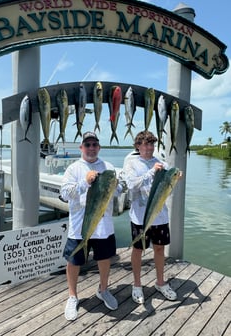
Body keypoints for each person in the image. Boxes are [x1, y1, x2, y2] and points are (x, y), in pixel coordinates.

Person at [60, 131, 122, 321]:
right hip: (80, 226)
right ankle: (72, 296)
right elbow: (64, 194)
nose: (91, 148)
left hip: (103, 226)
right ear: (81, 148)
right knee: (73, 261)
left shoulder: (108, 166)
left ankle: (103, 290)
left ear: (99, 147)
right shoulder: (73, 168)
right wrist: (84, 182)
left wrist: (117, 184)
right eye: (87, 145)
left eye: (94, 144)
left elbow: (119, 191)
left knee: (104, 258)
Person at [123, 130, 181, 304]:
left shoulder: (161, 163)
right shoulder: (132, 163)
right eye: (145, 144)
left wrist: (176, 178)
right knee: (138, 250)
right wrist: (150, 173)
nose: (149, 147)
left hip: (160, 216)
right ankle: (137, 285)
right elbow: (131, 185)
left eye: (151, 144)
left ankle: (161, 282)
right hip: (140, 218)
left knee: (159, 249)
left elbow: (167, 189)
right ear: (138, 146)